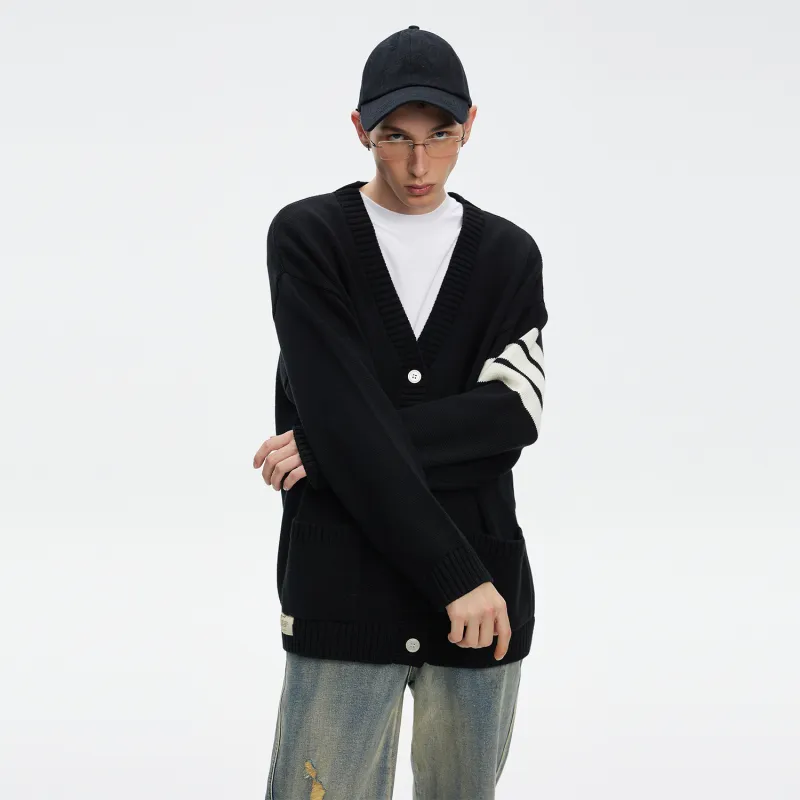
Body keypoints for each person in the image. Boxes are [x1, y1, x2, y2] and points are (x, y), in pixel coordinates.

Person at [253, 24, 548, 800]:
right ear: (361, 129)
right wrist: (457, 575)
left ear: (469, 125)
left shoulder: (509, 256)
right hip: (358, 590)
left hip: (482, 611)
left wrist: (330, 446)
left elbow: (510, 418)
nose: (420, 165)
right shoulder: (309, 238)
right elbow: (338, 403)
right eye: (396, 137)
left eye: (439, 135)